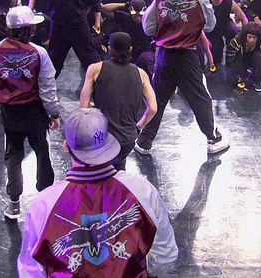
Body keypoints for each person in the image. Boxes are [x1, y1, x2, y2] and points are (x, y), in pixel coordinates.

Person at [17, 107, 178, 277]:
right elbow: (166, 254)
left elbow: (30, 269)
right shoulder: (142, 190)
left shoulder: (44, 204)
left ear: (66, 147)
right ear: (108, 143)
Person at [135, 0, 229, 156]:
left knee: (158, 99)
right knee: (200, 98)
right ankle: (212, 138)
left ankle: (144, 142)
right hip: (187, 56)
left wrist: (167, 30)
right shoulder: (200, 0)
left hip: (164, 56)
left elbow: (148, 27)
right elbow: (210, 26)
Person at [0, 6, 61, 221]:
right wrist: (54, 114)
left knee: (13, 155)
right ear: (29, 29)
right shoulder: (39, 53)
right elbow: (47, 88)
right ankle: (45, 200)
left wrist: (3, 106)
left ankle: (14, 204)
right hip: (35, 112)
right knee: (42, 154)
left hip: (10, 114)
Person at [79, 32, 157, 170]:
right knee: (119, 171)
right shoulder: (141, 74)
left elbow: (84, 106)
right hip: (127, 140)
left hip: (102, 138)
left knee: (100, 173)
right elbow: (152, 108)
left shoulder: (95, 69)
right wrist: (138, 127)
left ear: (110, 49)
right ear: (130, 50)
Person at [206, 0, 248, 69]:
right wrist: (205, 40)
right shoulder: (207, 3)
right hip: (212, 28)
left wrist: (243, 37)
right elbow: (200, 23)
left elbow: (244, 18)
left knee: (233, 31)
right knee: (215, 57)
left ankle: (231, 57)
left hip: (225, 24)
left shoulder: (229, 2)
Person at [226, 22, 261, 94]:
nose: (252, 40)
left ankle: (257, 80)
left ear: (257, 37)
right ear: (245, 36)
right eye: (249, 37)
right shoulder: (236, 41)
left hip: (257, 60)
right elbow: (230, 59)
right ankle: (243, 76)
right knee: (233, 82)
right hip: (241, 61)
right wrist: (240, 79)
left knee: (258, 55)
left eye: (254, 37)